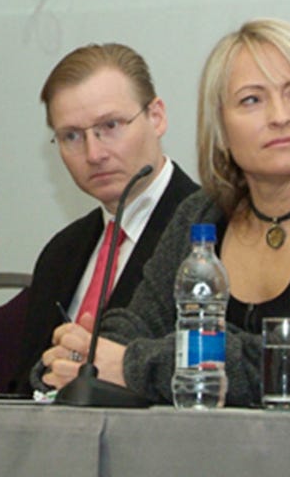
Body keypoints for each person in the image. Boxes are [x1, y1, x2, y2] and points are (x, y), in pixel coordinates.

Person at [42, 18, 290, 405]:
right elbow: (139, 322)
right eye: (252, 100)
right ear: (221, 129)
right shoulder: (201, 214)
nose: (279, 116)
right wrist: (86, 353)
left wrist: (132, 366)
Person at [11, 43, 199, 396]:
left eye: (110, 125)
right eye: (71, 136)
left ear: (156, 117)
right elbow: (25, 387)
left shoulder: (212, 229)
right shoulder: (61, 252)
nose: (93, 153)